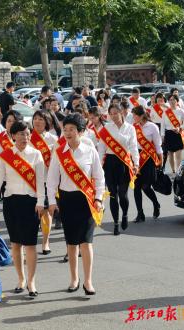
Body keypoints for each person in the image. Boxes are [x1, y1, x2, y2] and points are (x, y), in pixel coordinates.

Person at [47, 113, 105, 296]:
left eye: (72, 129)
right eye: (65, 130)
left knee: (86, 242)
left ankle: (88, 281)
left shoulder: (90, 151)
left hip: (86, 201)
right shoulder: (59, 153)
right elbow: (51, 180)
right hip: (67, 200)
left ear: (81, 132)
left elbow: (99, 177)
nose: (68, 133)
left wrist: (98, 198)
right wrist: (51, 201)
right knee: (71, 243)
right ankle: (74, 279)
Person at [0, 121, 45, 297]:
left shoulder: (36, 155)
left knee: (30, 244)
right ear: (13, 136)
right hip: (11, 202)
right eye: (20, 134)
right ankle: (20, 279)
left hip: (31, 203)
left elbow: (40, 182)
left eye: (27, 134)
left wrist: (41, 202)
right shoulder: (5, 156)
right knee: (15, 243)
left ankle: (31, 281)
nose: (24, 137)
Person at [98, 104, 139, 236]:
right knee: (113, 195)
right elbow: (101, 149)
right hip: (110, 163)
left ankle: (125, 215)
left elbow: (133, 147)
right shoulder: (106, 129)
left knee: (123, 194)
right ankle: (116, 223)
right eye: (112, 113)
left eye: (116, 113)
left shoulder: (130, 128)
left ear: (121, 112)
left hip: (124, 163)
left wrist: (136, 163)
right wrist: (98, 166)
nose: (114, 115)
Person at [31, 111, 58, 254]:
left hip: (47, 181)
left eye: (40, 119)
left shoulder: (53, 139)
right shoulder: (27, 137)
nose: (37, 121)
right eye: (35, 119)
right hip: (30, 181)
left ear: (46, 121)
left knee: (46, 212)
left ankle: (45, 241)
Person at [131, 106, 163, 222]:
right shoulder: (133, 127)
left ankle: (156, 204)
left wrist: (161, 162)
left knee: (146, 186)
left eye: (134, 115)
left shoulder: (152, 127)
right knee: (136, 187)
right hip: (136, 158)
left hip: (149, 159)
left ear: (141, 116)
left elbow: (158, 146)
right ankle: (140, 213)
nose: (133, 117)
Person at [0, 110, 23, 181]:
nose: (11, 123)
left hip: (22, 178)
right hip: (4, 179)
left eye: (14, 121)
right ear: (5, 122)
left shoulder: (25, 137)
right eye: (9, 121)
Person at [161, 94, 184, 174]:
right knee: (170, 154)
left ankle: (178, 171)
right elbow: (162, 125)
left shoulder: (181, 111)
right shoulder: (166, 112)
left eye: (174, 100)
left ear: (177, 101)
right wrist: (162, 135)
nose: (172, 101)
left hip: (178, 133)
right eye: (170, 100)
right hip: (168, 134)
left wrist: (180, 127)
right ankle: (173, 170)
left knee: (178, 154)